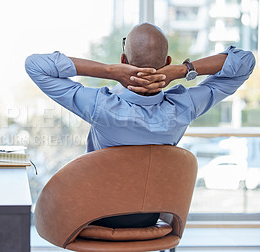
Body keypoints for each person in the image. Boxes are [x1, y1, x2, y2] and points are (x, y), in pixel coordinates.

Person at [25, 23, 255, 228]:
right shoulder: (184, 106)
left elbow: (36, 65)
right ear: (167, 62)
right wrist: (183, 70)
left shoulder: (100, 107)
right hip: (152, 217)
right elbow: (245, 61)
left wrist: (109, 71)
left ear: (123, 61)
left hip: (95, 215)